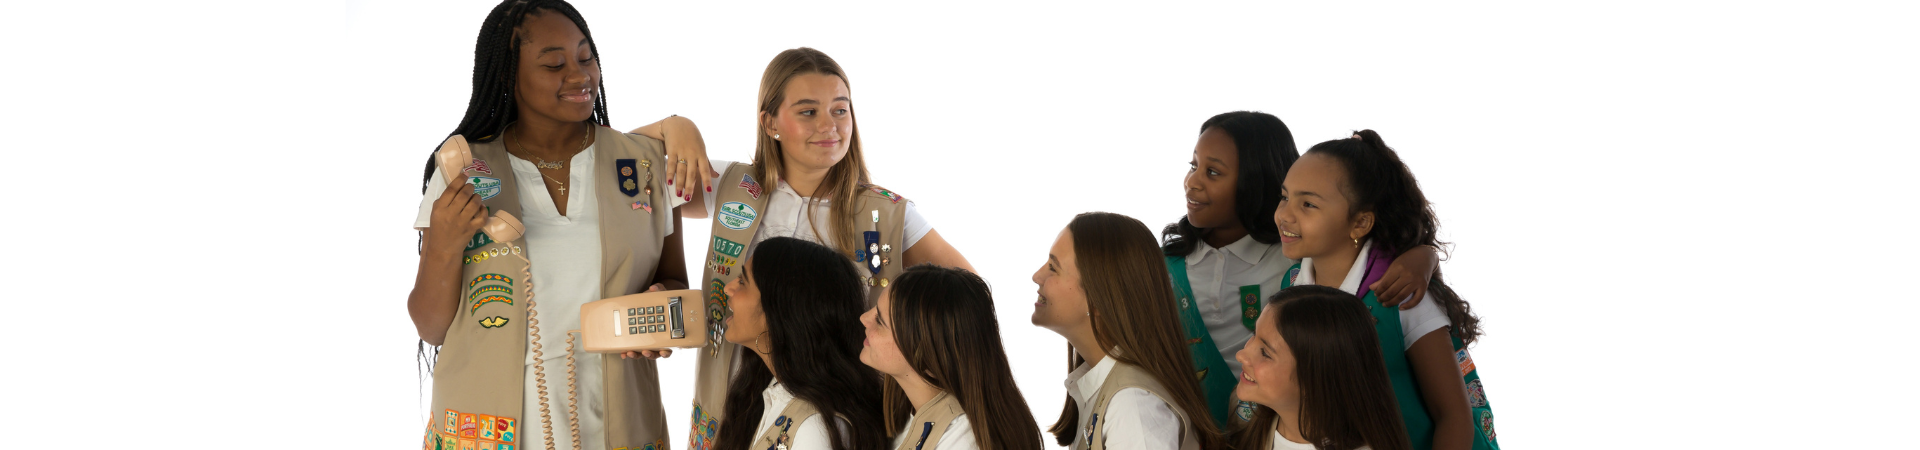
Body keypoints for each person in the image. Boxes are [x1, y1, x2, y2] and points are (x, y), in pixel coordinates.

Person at [407, 1, 714, 449]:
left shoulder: (643, 165)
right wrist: (445, 245)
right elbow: (431, 326)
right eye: (554, 63)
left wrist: (659, 311)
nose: (579, 75)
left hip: (617, 418)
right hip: (492, 424)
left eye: (586, 58)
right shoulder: (465, 170)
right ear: (508, 76)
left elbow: (672, 281)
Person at [657, 48, 975, 449]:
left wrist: (910, 367)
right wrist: (676, 126)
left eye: (840, 110)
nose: (830, 126)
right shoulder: (733, 185)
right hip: (731, 394)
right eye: (809, 112)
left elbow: (965, 297)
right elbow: (628, 183)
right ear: (769, 121)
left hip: (833, 411)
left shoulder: (886, 213)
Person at [1161, 111, 1438, 426]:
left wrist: (1424, 254)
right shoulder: (1166, 265)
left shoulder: (1291, 260)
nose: (1192, 181)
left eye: (1213, 172)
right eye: (1194, 166)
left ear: (1255, 181)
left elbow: (1451, 412)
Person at [1274, 130, 1496, 450]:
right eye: (1284, 197)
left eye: (1307, 203)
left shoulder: (1401, 296)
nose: (1284, 214)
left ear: (1360, 223)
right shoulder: (1292, 284)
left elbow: (1454, 417)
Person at [1032, 212, 1223, 450]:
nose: (1037, 276)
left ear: (1099, 299)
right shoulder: (1109, 388)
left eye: (1053, 267)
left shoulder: (1132, 407)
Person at [709, 237, 887, 450]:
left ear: (780, 312)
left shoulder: (814, 430)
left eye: (743, 282)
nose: (728, 288)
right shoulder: (770, 388)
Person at [859, 264, 1045, 450]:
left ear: (925, 355)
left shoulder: (960, 441)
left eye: (880, 321)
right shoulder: (911, 415)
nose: (864, 318)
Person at [1230, 285, 1412, 450]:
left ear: (1316, 378)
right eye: (1254, 334)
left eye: (1265, 353)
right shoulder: (1249, 419)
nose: (1241, 355)